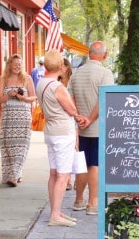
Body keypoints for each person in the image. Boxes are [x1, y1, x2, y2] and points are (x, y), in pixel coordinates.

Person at [68, 41, 114, 216]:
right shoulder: (105, 74)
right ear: (105, 54)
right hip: (96, 127)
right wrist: (89, 119)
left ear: (88, 53)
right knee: (94, 164)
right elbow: (104, 99)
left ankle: (78, 199)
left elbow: (69, 97)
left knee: (81, 164)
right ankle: (92, 202)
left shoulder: (76, 74)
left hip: (80, 127)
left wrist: (78, 116)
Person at [36, 49, 80, 227]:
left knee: (54, 173)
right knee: (63, 175)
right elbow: (71, 110)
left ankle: (56, 210)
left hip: (51, 131)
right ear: (60, 66)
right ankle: (55, 215)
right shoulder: (57, 87)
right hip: (63, 132)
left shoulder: (41, 83)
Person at [0, 54, 37, 187]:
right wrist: (8, 95)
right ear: (9, 65)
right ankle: (16, 173)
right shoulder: (3, 79)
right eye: (15, 64)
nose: (17, 67)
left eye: (19, 64)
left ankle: (14, 176)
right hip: (8, 118)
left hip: (23, 117)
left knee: (21, 146)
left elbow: (33, 97)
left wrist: (24, 98)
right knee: (9, 146)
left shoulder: (27, 78)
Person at [58, 57, 74, 191]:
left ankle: (68, 179)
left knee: (71, 150)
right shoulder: (55, 82)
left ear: (67, 67)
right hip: (59, 119)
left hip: (72, 117)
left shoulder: (72, 80)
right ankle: (64, 178)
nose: (60, 68)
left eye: (62, 66)